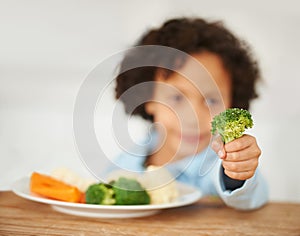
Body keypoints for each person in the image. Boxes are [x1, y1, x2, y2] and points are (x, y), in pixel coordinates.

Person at [106, 17, 268, 210]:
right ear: (147, 98)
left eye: (211, 101)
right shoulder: (124, 165)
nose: (193, 118)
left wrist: (237, 172)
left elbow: (250, 196)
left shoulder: (218, 164)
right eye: (176, 98)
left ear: (232, 103)